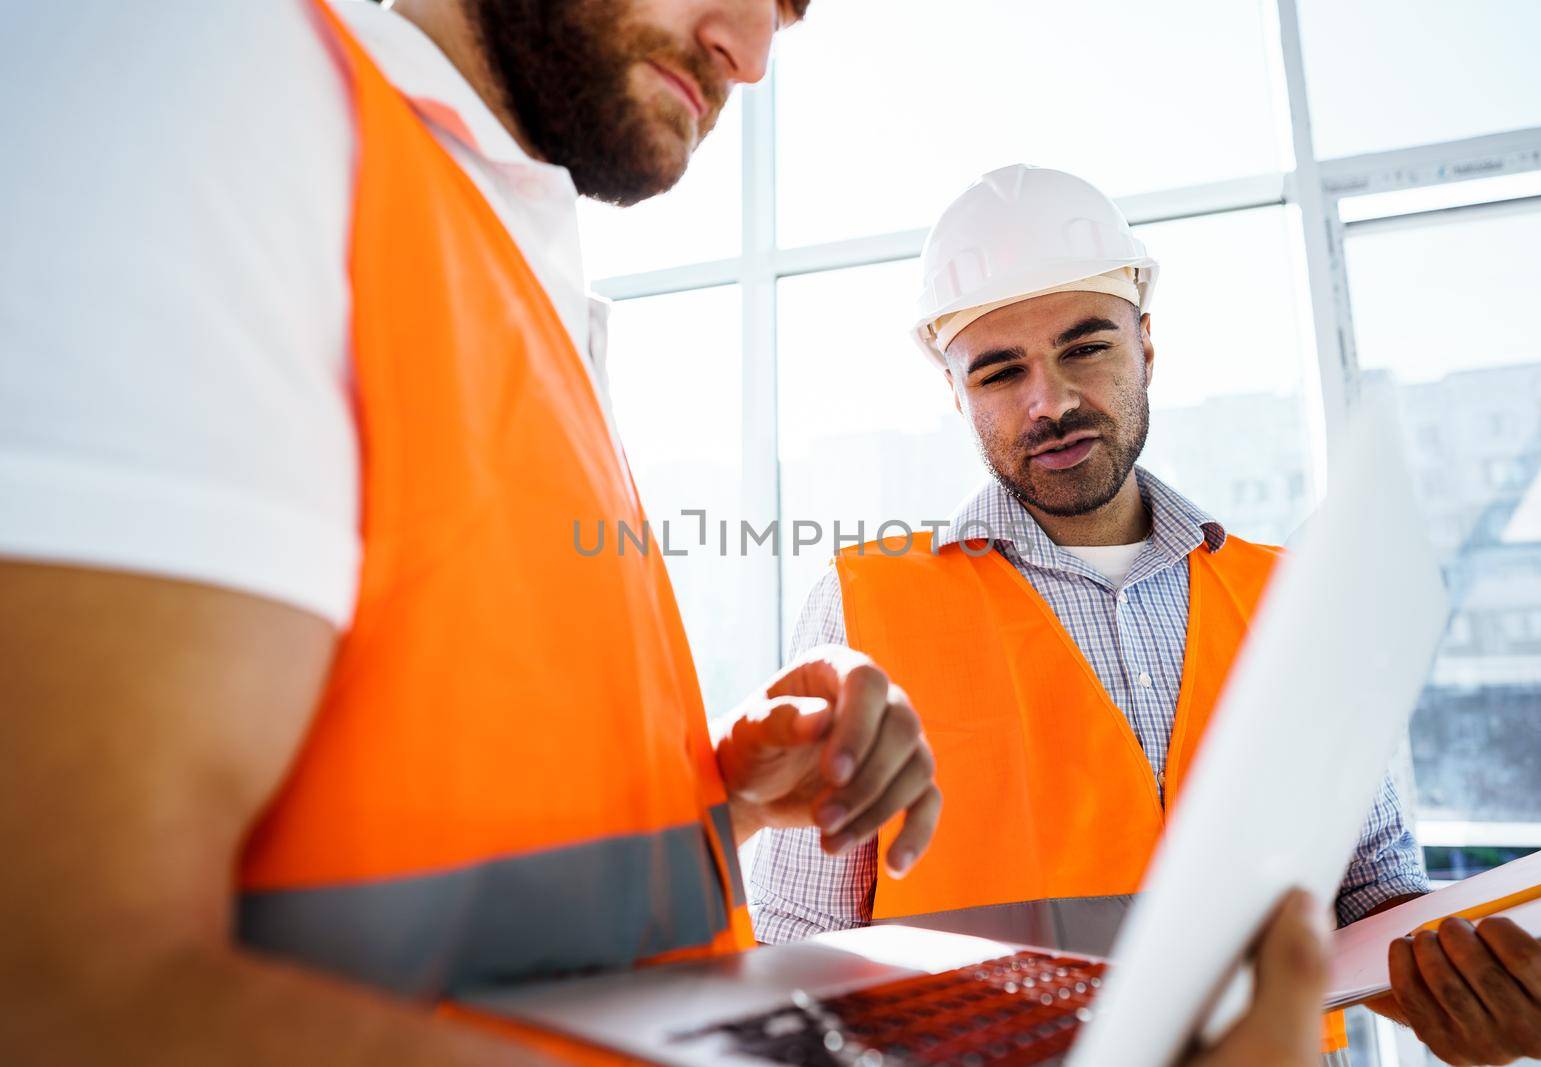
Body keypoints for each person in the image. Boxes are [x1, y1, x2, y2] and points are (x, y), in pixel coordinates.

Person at [0, 1, 941, 1062]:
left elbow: (429, 870)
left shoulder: (499, 235)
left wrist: (722, 808)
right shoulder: (209, 86)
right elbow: (53, 991)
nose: (752, 52)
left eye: (787, 8)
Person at [749, 165, 1541, 1066]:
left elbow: (1370, 894)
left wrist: (1467, 982)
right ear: (957, 393)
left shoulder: (1292, 599)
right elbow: (795, 947)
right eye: (1001, 371)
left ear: (1147, 345)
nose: (1051, 402)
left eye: (1086, 348)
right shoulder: (862, 607)